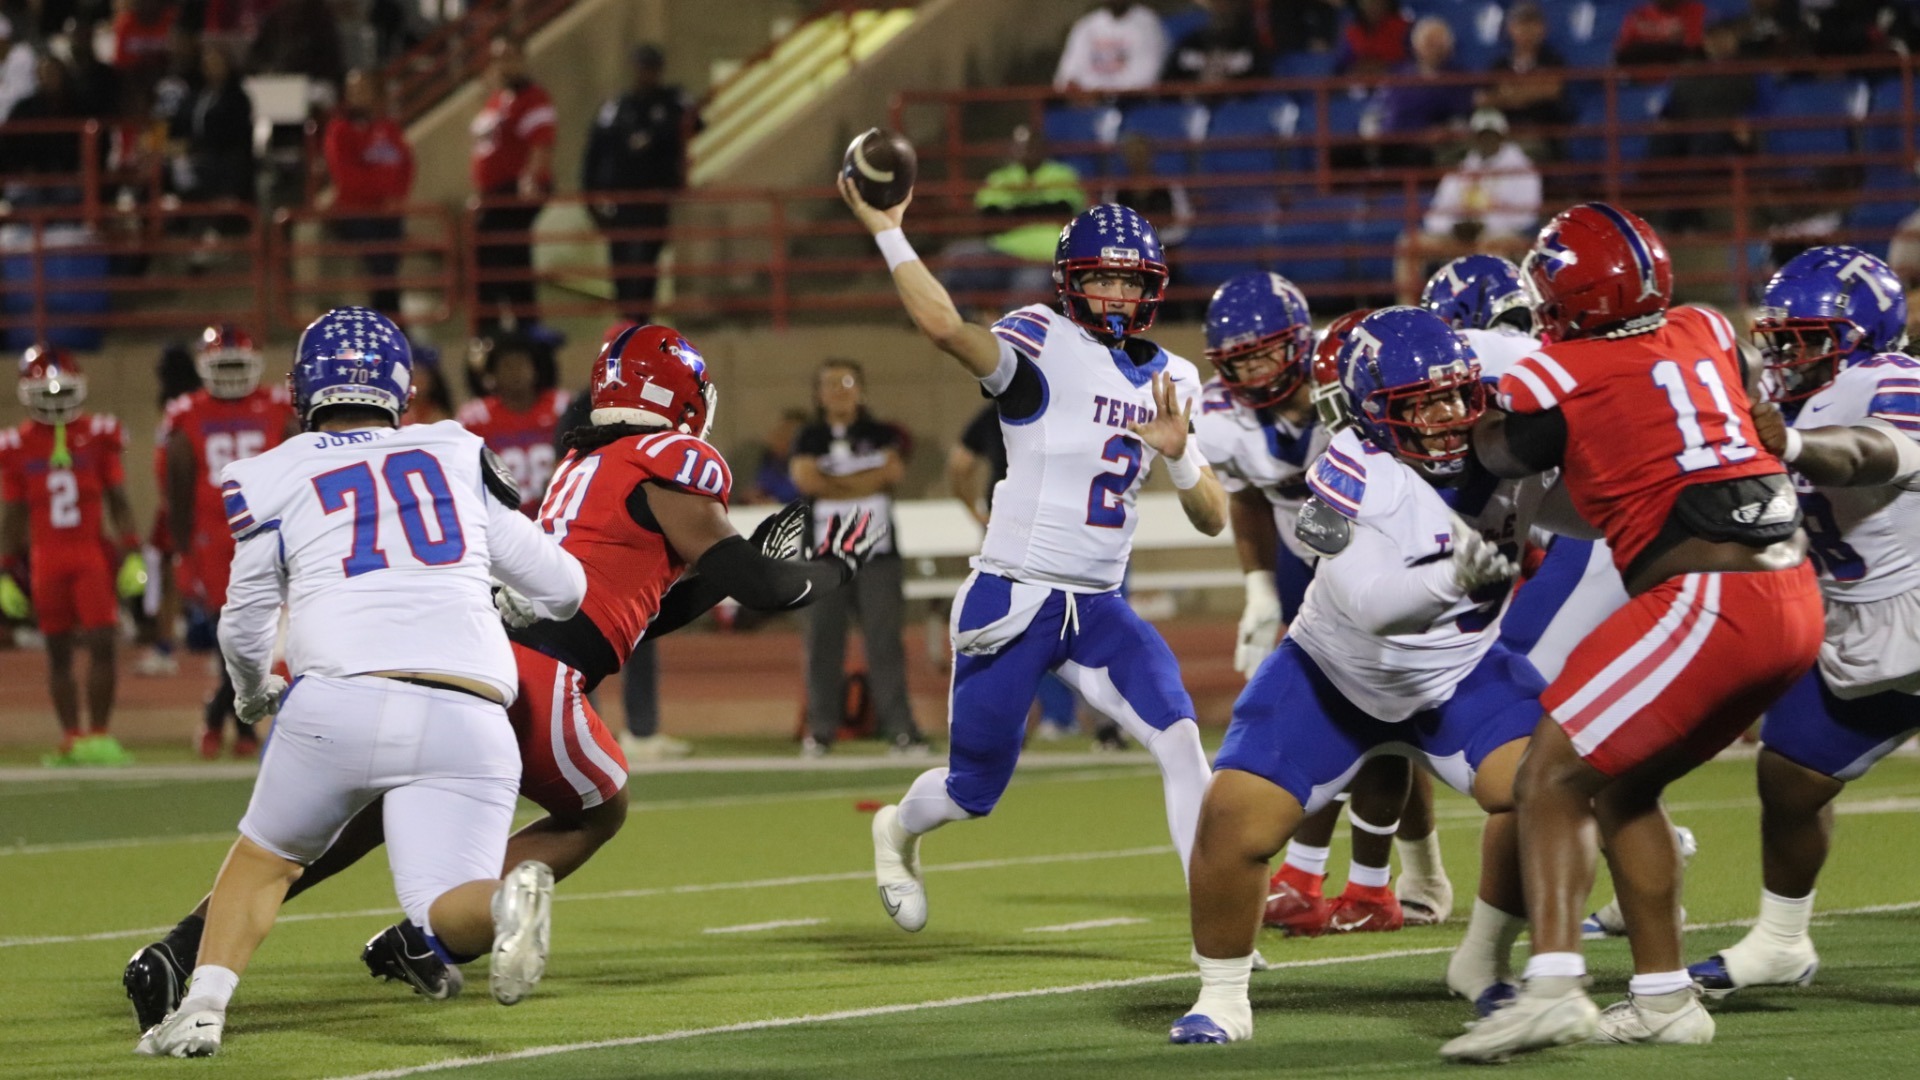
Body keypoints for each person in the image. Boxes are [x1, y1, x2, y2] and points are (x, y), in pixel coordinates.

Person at [124, 323, 875, 1030]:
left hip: (479, 652)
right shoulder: (675, 458)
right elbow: (767, 591)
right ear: (682, 400)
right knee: (599, 812)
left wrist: (727, 571)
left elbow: (630, 617)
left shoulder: (587, 461)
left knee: (357, 812)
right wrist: (832, 569)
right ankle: (445, 933)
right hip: (534, 674)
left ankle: (186, 945)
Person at [130, 307, 584, 1057]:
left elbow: (241, 626)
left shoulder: (277, 471)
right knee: (443, 908)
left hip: (339, 697)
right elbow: (564, 589)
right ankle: (507, 906)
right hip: (469, 708)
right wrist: (509, 599)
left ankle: (204, 1008)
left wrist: (249, 696)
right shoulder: (453, 451)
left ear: (303, 386)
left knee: (267, 858)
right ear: (401, 387)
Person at [1441, 203, 1824, 1060]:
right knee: (1617, 787)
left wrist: (1474, 415)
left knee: (1548, 771)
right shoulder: (1706, 327)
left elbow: (1499, 455)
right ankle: (1663, 998)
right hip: (1789, 587)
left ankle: (1552, 986)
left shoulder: (1556, 368)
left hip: (1707, 596)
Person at [841, 170, 1230, 934]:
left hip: (1099, 606)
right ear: (1071, 284)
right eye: (1103, 280)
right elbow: (948, 329)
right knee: (972, 789)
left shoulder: (1175, 379)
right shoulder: (1041, 340)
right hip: (1014, 594)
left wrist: (1182, 459)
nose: (1118, 296)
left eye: (1130, 281)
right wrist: (890, 230)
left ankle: (1220, 928)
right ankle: (897, 829)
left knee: (1183, 739)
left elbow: (1212, 516)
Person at [1172, 307, 1551, 1043]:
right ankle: (1221, 996)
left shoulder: (1511, 443)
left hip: (1460, 675)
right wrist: (1453, 578)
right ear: (1375, 416)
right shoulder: (1347, 469)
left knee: (1557, 791)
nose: (1446, 418)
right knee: (1230, 822)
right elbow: (1372, 605)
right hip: (1333, 677)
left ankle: (1483, 963)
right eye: (1421, 405)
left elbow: (1585, 515)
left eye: (1455, 396)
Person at [1687, 247, 1920, 998]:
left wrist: (1793, 446)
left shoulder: (1889, 379)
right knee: (1789, 775)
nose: (1787, 354)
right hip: (1862, 629)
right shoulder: (1788, 406)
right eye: (1781, 337)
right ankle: (1782, 942)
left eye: (1808, 338)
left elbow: (1874, 452)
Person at [1194, 275, 1451, 937]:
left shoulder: (1350, 387)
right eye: (1238, 360)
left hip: (1380, 552)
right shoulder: (1221, 419)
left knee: (1391, 719)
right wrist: (1256, 588)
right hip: (1303, 563)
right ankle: (1310, 874)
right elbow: (1248, 496)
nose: (1251, 371)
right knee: (1331, 716)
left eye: (1263, 354)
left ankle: (1408, 875)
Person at [161, 325, 299, 760]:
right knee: (235, 632)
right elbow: (176, 481)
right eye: (224, 366)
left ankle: (222, 718)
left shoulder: (278, 406)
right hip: (216, 535)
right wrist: (184, 548)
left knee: (265, 634)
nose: (233, 375)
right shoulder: (186, 412)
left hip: (269, 531)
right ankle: (234, 722)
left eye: (239, 365)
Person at [0, 346, 141, 767]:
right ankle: (70, 736)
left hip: (90, 555)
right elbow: (14, 513)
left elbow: (118, 498)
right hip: (47, 559)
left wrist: (131, 550)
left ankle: (99, 733)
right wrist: (5, 571)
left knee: (102, 641)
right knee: (57, 650)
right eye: (47, 390)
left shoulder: (99, 434)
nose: (56, 398)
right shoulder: (17, 444)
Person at [791, 359, 925, 756]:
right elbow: (807, 480)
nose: (839, 391)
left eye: (847, 382)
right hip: (824, 557)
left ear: (861, 389)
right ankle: (820, 731)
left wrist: (835, 483)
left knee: (885, 643)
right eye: (829, 384)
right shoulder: (809, 436)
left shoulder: (881, 432)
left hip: (877, 553)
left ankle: (900, 730)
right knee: (823, 642)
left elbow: (892, 474)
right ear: (817, 394)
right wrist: (861, 482)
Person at [581, 44, 696, 324]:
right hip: (620, 202)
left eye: (652, 68)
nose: (647, 75)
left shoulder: (670, 103)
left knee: (646, 264)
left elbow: (695, 119)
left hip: (654, 200)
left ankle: (641, 321)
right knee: (621, 265)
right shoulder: (618, 107)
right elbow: (595, 151)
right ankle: (627, 322)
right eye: (643, 68)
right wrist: (590, 198)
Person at [1395, 111, 1540, 304]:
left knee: (1491, 248)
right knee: (1409, 246)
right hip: (1458, 236)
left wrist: (1485, 225)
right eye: (1482, 136)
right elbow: (1435, 215)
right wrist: (1455, 226)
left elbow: (1526, 216)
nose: (1487, 141)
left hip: (1499, 235)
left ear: (1502, 137)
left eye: (1491, 135)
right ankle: (1407, 311)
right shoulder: (1462, 169)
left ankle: (1490, 315)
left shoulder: (1522, 169)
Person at [941, 126, 1086, 317]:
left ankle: (1009, 341)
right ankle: (962, 330)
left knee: (1024, 294)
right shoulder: (1000, 178)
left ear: (1043, 148)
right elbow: (990, 218)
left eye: (1032, 146)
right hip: (1000, 253)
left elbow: (1062, 210)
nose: (1027, 150)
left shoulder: (1062, 175)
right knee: (957, 258)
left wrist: (1012, 213)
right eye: (1021, 146)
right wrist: (1039, 211)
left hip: (1041, 259)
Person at [471, 37, 555, 333]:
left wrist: (530, 179)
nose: (502, 65)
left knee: (506, 263)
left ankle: (520, 330)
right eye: (497, 59)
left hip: (511, 196)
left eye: (508, 57)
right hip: (492, 195)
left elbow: (541, 142)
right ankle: (494, 329)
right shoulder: (498, 98)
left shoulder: (531, 97)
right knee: (492, 267)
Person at [324, 68, 415, 316]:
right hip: (357, 212)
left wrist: (396, 197)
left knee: (390, 267)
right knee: (381, 268)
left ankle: (391, 327)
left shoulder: (387, 127)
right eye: (353, 90)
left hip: (389, 212)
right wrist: (381, 195)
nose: (358, 95)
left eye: (364, 89)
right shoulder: (339, 130)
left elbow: (405, 163)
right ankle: (391, 326)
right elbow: (346, 176)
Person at [458, 333, 570, 515]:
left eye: (522, 364)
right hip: (503, 522)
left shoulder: (562, 406)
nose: (516, 372)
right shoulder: (474, 416)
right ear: (493, 374)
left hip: (558, 515)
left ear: (535, 368)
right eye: (508, 366)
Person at [1375, 17, 1475, 170]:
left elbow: (1462, 113)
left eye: (1438, 43)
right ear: (1416, 45)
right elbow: (1381, 108)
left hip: (1428, 144)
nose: (1433, 47)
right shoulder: (1397, 75)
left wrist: (1445, 130)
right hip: (1393, 139)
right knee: (1344, 153)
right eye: (1429, 42)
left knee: (1418, 157)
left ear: (1448, 46)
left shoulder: (1458, 77)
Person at [1474, 2, 1567, 148]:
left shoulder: (1552, 59)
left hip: (1541, 134)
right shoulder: (1500, 64)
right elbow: (1483, 99)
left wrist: (1507, 94)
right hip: (1503, 134)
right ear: (1510, 29)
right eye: (1521, 24)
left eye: (1533, 24)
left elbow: (1551, 90)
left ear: (1543, 29)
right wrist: (1529, 91)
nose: (1527, 30)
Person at [1053, 0, 1166, 94]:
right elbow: (1066, 76)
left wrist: (1095, 92)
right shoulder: (1086, 25)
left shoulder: (1148, 25)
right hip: (1086, 104)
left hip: (1130, 104)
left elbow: (1144, 80)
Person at [1162, 0, 1268, 86]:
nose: (1222, 9)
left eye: (1228, 4)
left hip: (1238, 107)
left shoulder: (1252, 46)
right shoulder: (1190, 43)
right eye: (1217, 4)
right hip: (1191, 105)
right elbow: (1167, 86)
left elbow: (1262, 88)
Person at [1615, 0, 1708, 65]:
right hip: (1640, 81)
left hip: (1682, 81)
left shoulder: (1697, 11)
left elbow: (1694, 51)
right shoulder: (1637, 15)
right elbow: (1622, 54)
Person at [1336, 0, 1410, 76]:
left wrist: (1386, 67)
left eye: (1377, 2)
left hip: (1396, 81)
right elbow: (1342, 67)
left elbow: (1412, 64)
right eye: (1368, 2)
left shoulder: (1402, 28)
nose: (1373, 6)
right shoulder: (1352, 30)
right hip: (1360, 82)